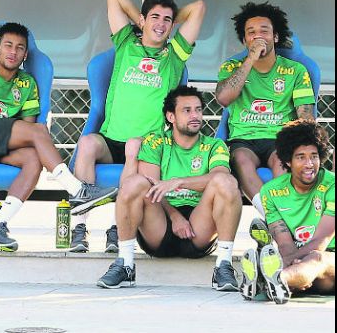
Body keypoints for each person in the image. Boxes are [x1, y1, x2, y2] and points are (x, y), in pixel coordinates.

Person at [0, 22, 117, 251]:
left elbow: (27, 132)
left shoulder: (27, 84)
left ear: (25, 54)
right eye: (8, 45)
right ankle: (78, 190)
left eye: (20, 48)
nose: (13, 52)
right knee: (38, 132)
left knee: (32, 158)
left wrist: (35, 143)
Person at [70, 0, 206, 253]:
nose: (161, 24)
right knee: (86, 143)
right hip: (111, 138)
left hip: (146, 144)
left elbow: (199, 6)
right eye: (155, 17)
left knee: (133, 145)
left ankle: (116, 227)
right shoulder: (125, 44)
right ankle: (79, 227)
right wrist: (142, 20)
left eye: (167, 19)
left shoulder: (174, 55)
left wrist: (168, 20)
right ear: (142, 21)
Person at [96, 86, 242, 291]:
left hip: (199, 227)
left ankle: (224, 266)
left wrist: (179, 182)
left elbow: (220, 176)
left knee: (227, 183)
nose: (195, 116)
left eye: (199, 110)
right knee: (134, 183)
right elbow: (150, 186)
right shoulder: (156, 142)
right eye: (187, 110)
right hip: (160, 225)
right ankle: (125, 264)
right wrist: (174, 216)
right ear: (171, 116)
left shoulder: (214, 145)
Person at [215, 2, 316, 217]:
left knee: (283, 163)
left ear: (275, 37)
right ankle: (275, 221)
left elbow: (305, 117)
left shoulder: (295, 70)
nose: (258, 36)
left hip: (280, 138)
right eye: (251, 33)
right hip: (243, 139)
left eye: (264, 31)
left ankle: (275, 223)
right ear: (244, 40)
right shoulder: (232, 67)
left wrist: (303, 146)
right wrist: (250, 58)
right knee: (241, 161)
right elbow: (223, 99)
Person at [240, 120, 335, 304]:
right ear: (288, 162)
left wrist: (288, 262)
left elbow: (319, 242)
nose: (309, 164)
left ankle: (274, 278)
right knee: (304, 264)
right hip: (298, 261)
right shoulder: (270, 192)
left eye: (314, 156)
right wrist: (292, 260)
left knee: (317, 258)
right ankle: (277, 280)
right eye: (301, 157)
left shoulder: (332, 185)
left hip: (327, 257)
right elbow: (284, 244)